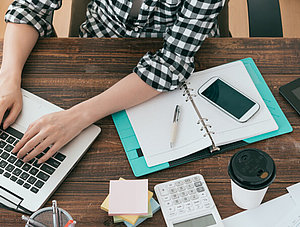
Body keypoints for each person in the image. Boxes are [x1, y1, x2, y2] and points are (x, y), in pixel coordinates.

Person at [1, 0, 225, 164]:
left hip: (178, 67)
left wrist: (77, 117)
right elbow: (29, 8)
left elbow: (171, 63)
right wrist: (7, 81)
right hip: (98, 49)